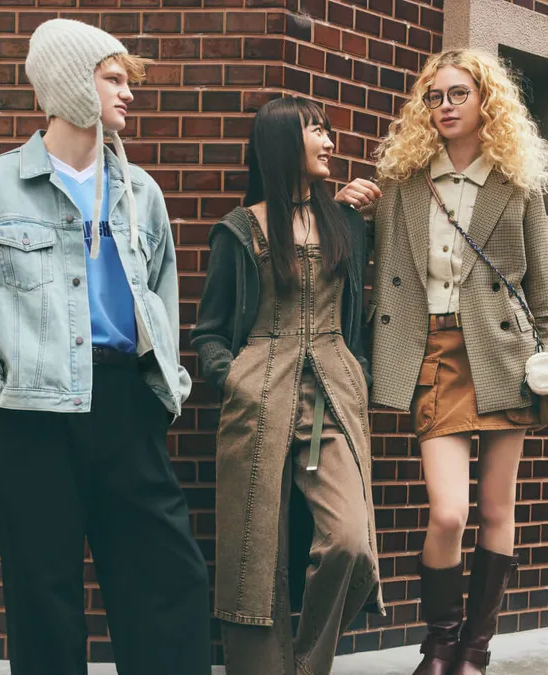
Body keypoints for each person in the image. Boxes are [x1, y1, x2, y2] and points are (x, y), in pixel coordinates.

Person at [0, 19, 210, 675]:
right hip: (32, 417)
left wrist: (164, 384)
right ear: (70, 84)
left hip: (125, 405)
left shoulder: (140, 192)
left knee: (170, 582)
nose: (128, 94)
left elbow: (162, 297)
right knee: (44, 597)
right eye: (113, 78)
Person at [336, 49, 548, 675]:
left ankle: (473, 653)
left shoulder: (516, 185)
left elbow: (540, 287)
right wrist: (351, 202)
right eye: (434, 97)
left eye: (458, 94)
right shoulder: (408, 181)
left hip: (504, 355)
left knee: (495, 510)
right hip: (432, 352)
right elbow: (368, 251)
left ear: (487, 100)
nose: (444, 107)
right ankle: (438, 642)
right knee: (448, 512)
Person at [193, 96, 384, 675]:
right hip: (257, 397)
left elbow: (365, 310)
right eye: (316, 131)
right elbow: (207, 334)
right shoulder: (238, 230)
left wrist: (361, 372)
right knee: (255, 551)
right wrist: (235, 381)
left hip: (334, 395)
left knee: (349, 543)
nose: (330, 140)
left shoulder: (346, 224)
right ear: (281, 143)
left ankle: (308, 666)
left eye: (328, 130)